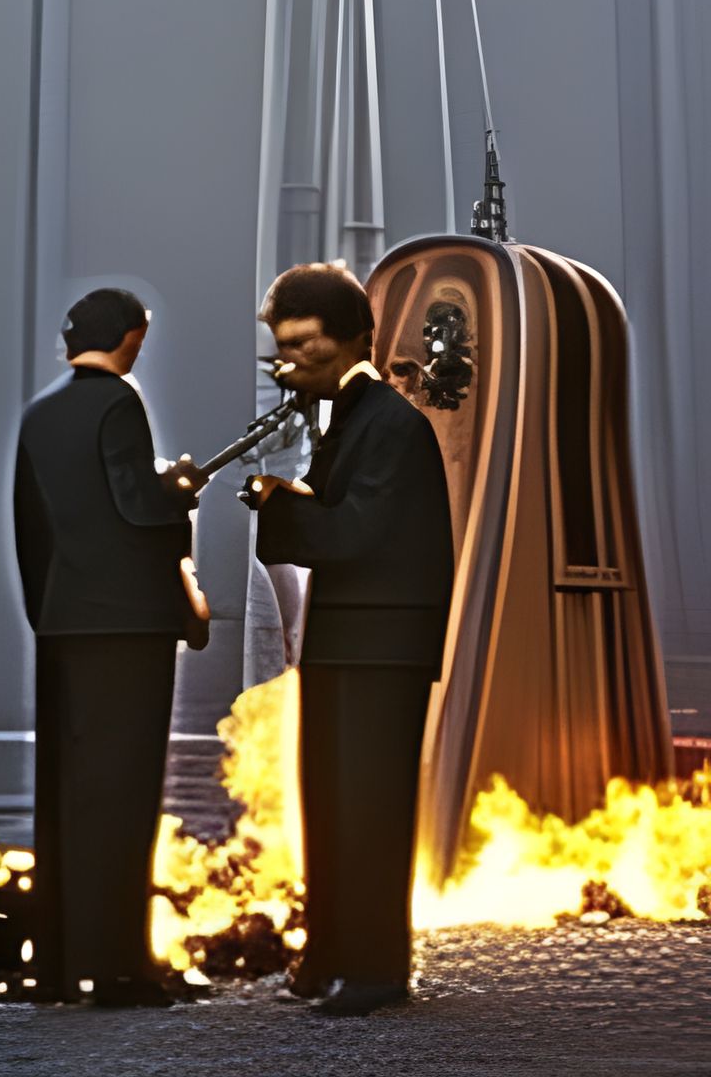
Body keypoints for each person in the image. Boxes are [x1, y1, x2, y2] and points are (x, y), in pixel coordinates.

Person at [241, 263, 455, 1017]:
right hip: (350, 648)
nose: (289, 361)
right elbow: (346, 518)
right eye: (281, 346)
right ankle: (331, 957)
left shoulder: (391, 425)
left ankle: (372, 969)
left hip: (380, 653)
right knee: (332, 806)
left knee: (367, 812)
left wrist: (280, 501)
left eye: (304, 344)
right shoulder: (354, 419)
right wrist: (291, 496)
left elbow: (357, 531)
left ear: (356, 339)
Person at [13, 287, 206, 1007]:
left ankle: (61, 965)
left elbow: (30, 529)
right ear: (130, 336)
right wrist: (177, 489)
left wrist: (47, 614)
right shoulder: (119, 403)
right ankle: (121, 968)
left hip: (62, 621)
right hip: (127, 628)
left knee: (67, 797)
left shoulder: (40, 415)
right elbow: (135, 503)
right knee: (124, 797)